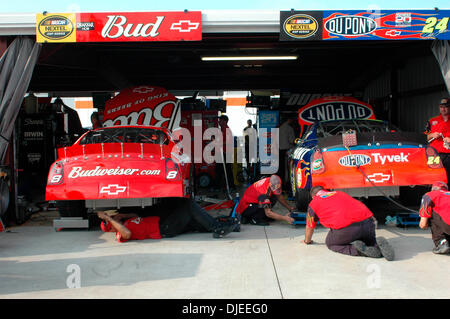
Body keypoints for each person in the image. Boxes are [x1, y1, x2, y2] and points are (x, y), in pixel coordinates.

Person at [302, 185, 394, 261]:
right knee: (368, 241)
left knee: (331, 243)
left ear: (313, 196)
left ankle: (358, 250)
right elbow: (360, 206)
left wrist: (307, 241)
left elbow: (310, 226)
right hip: (368, 224)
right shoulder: (339, 193)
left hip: (348, 230)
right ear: (325, 190)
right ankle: (375, 244)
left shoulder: (314, 203)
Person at [97, 198, 238, 242]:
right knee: (187, 205)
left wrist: (121, 216)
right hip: (165, 228)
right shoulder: (120, 233)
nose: (115, 217)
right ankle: (217, 228)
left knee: (194, 221)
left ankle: (223, 224)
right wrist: (108, 218)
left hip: (165, 223)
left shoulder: (126, 222)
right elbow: (127, 234)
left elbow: (138, 215)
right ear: (111, 225)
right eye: (112, 219)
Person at [418, 181, 450, 255]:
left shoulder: (429, 195)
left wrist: (426, 224)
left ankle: (441, 243)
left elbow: (422, 224)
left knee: (431, 214)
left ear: (433, 188)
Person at [426, 97, 450, 184]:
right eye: (441, 107)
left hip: (448, 155)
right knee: (434, 178)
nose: (443, 109)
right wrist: (431, 135)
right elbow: (423, 137)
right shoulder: (432, 121)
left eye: (446, 106)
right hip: (434, 155)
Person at [215, 114, 235, 191]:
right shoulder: (222, 130)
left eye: (220, 120)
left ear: (225, 121)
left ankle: (231, 187)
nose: (219, 121)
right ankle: (219, 186)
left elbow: (227, 142)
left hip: (226, 153)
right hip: (221, 153)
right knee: (219, 170)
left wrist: (218, 143)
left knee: (227, 170)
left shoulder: (227, 130)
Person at [278, 118, 296, 189]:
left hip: (280, 150)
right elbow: (292, 140)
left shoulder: (279, 128)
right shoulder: (289, 128)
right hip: (287, 150)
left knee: (282, 168)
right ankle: (287, 184)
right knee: (288, 168)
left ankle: (282, 183)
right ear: (290, 120)